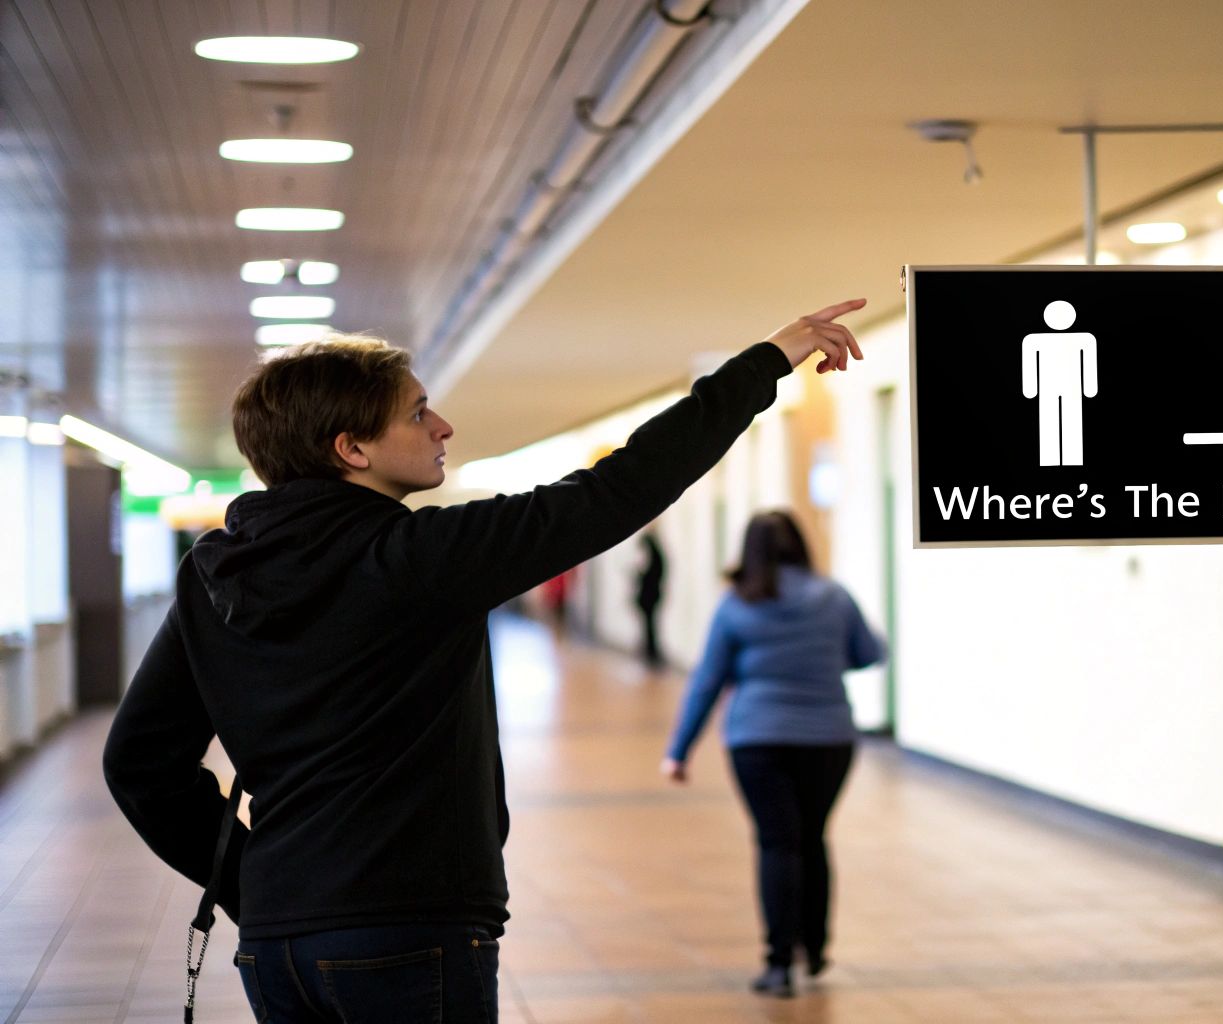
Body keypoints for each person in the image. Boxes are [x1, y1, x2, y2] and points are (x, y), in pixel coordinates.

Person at [100, 299, 866, 1023]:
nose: (443, 425)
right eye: (416, 411)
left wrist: (255, 883)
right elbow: (615, 490)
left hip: (276, 944)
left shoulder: (213, 577)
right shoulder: (417, 555)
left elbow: (140, 761)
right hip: (410, 931)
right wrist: (767, 361)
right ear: (351, 448)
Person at [661, 510, 886, 999]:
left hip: (757, 739)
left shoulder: (736, 606)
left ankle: (778, 965)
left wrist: (679, 750)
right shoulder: (834, 597)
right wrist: (823, 653)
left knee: (776, 843)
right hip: (829, 737)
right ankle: (817, 947)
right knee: (813, 837)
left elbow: (708, 681)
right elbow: (870, 652)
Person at [635, 532, 666, 664]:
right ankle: (650, 651)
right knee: (649, 626)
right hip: (650, 596)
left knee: (650, 626)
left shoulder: (656, 558)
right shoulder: (656, 557)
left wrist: (642, 576)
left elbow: (652, 577)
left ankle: (651, 652)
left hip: (650, 597)